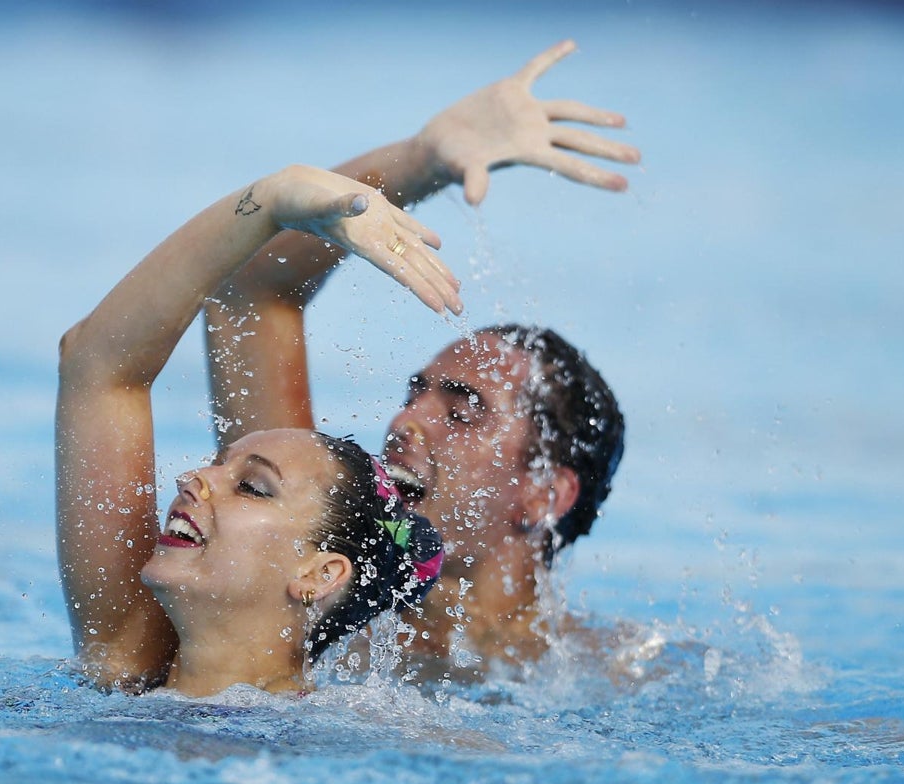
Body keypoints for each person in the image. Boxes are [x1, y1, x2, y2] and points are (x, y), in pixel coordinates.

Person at [203, 41, 638, 679]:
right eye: (414, 395)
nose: (405, 423)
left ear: (545, 493)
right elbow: (250, 297)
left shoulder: (624, 673)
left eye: (461, 413)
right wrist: (423, 162)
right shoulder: (313, 600)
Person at [56, 163, 450, 696]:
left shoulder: (342, 742)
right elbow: (98, 364)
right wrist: (266, 202)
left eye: (251, 487)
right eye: (220, 465)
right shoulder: (123, 665)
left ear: (318, 574)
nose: (195, 478)